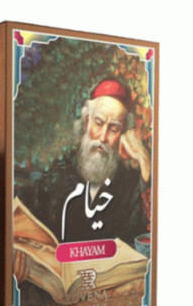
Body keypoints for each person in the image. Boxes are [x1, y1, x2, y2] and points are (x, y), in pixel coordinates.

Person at [32, 79, 151, 245]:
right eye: (98, 123)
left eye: (114, 129)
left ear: (122, 135)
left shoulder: (129, 185)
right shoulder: (58, 175)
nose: (102, 137)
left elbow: (141, 238)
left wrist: (144, 161)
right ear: (87, 122)